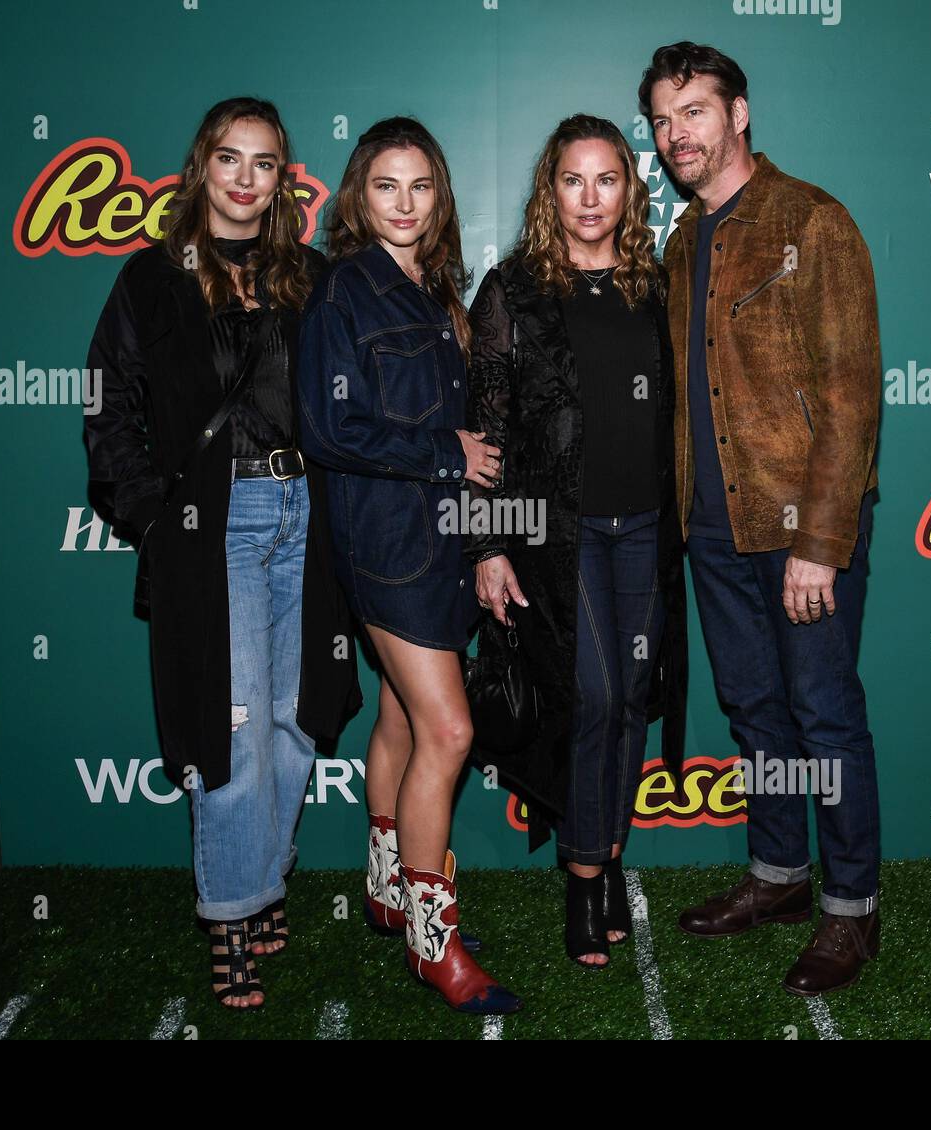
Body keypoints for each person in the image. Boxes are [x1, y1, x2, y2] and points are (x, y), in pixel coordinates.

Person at [84, 96, 361, 1009]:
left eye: (265, 163)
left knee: (292, 719)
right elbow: (109, 405)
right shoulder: (152, 279)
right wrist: (153, 516)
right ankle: (232, 914)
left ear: (286, 178)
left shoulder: (309, 277)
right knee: (233, 727)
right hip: (217, 524)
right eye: (230, 160)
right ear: (203, 165)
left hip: (305, 516)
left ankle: (263, 875)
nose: (245, 180)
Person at [640, 41, 883, 995]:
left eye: (694, 111)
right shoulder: (680, 243)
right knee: (756, 716)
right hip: (712, 528)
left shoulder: (811, 220)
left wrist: (821, 544)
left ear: (740, 113)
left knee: (824, 717)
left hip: (797, 531)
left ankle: (852, 910)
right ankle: (780, 879)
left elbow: (853, 394)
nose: (676, 135)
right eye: (663, 119)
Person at [298, 117, 520, 1015]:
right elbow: (328, 430)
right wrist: (444, 456)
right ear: (360, 195)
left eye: (420, 187)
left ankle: (388, 889)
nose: (404, 203)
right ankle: (435, 941)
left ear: (439, 199)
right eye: (387, 186)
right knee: (450, 733)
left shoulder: (438, 290)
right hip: (383, 545)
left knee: (398, 716)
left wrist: (477, 536)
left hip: (436, 543)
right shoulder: (342, 291)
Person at [465, 115, 688, 968]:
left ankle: (610, 858)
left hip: (647, 531)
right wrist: (484, 548)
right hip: (559, 536)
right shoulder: (512, 290)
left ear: (629, 190)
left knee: (634, 698)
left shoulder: (654, 285)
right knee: (593, 699)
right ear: (548, 188)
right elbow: (483, 431)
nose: (590, 198)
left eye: (607, 179)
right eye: (572, 179)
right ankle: (583, 874)